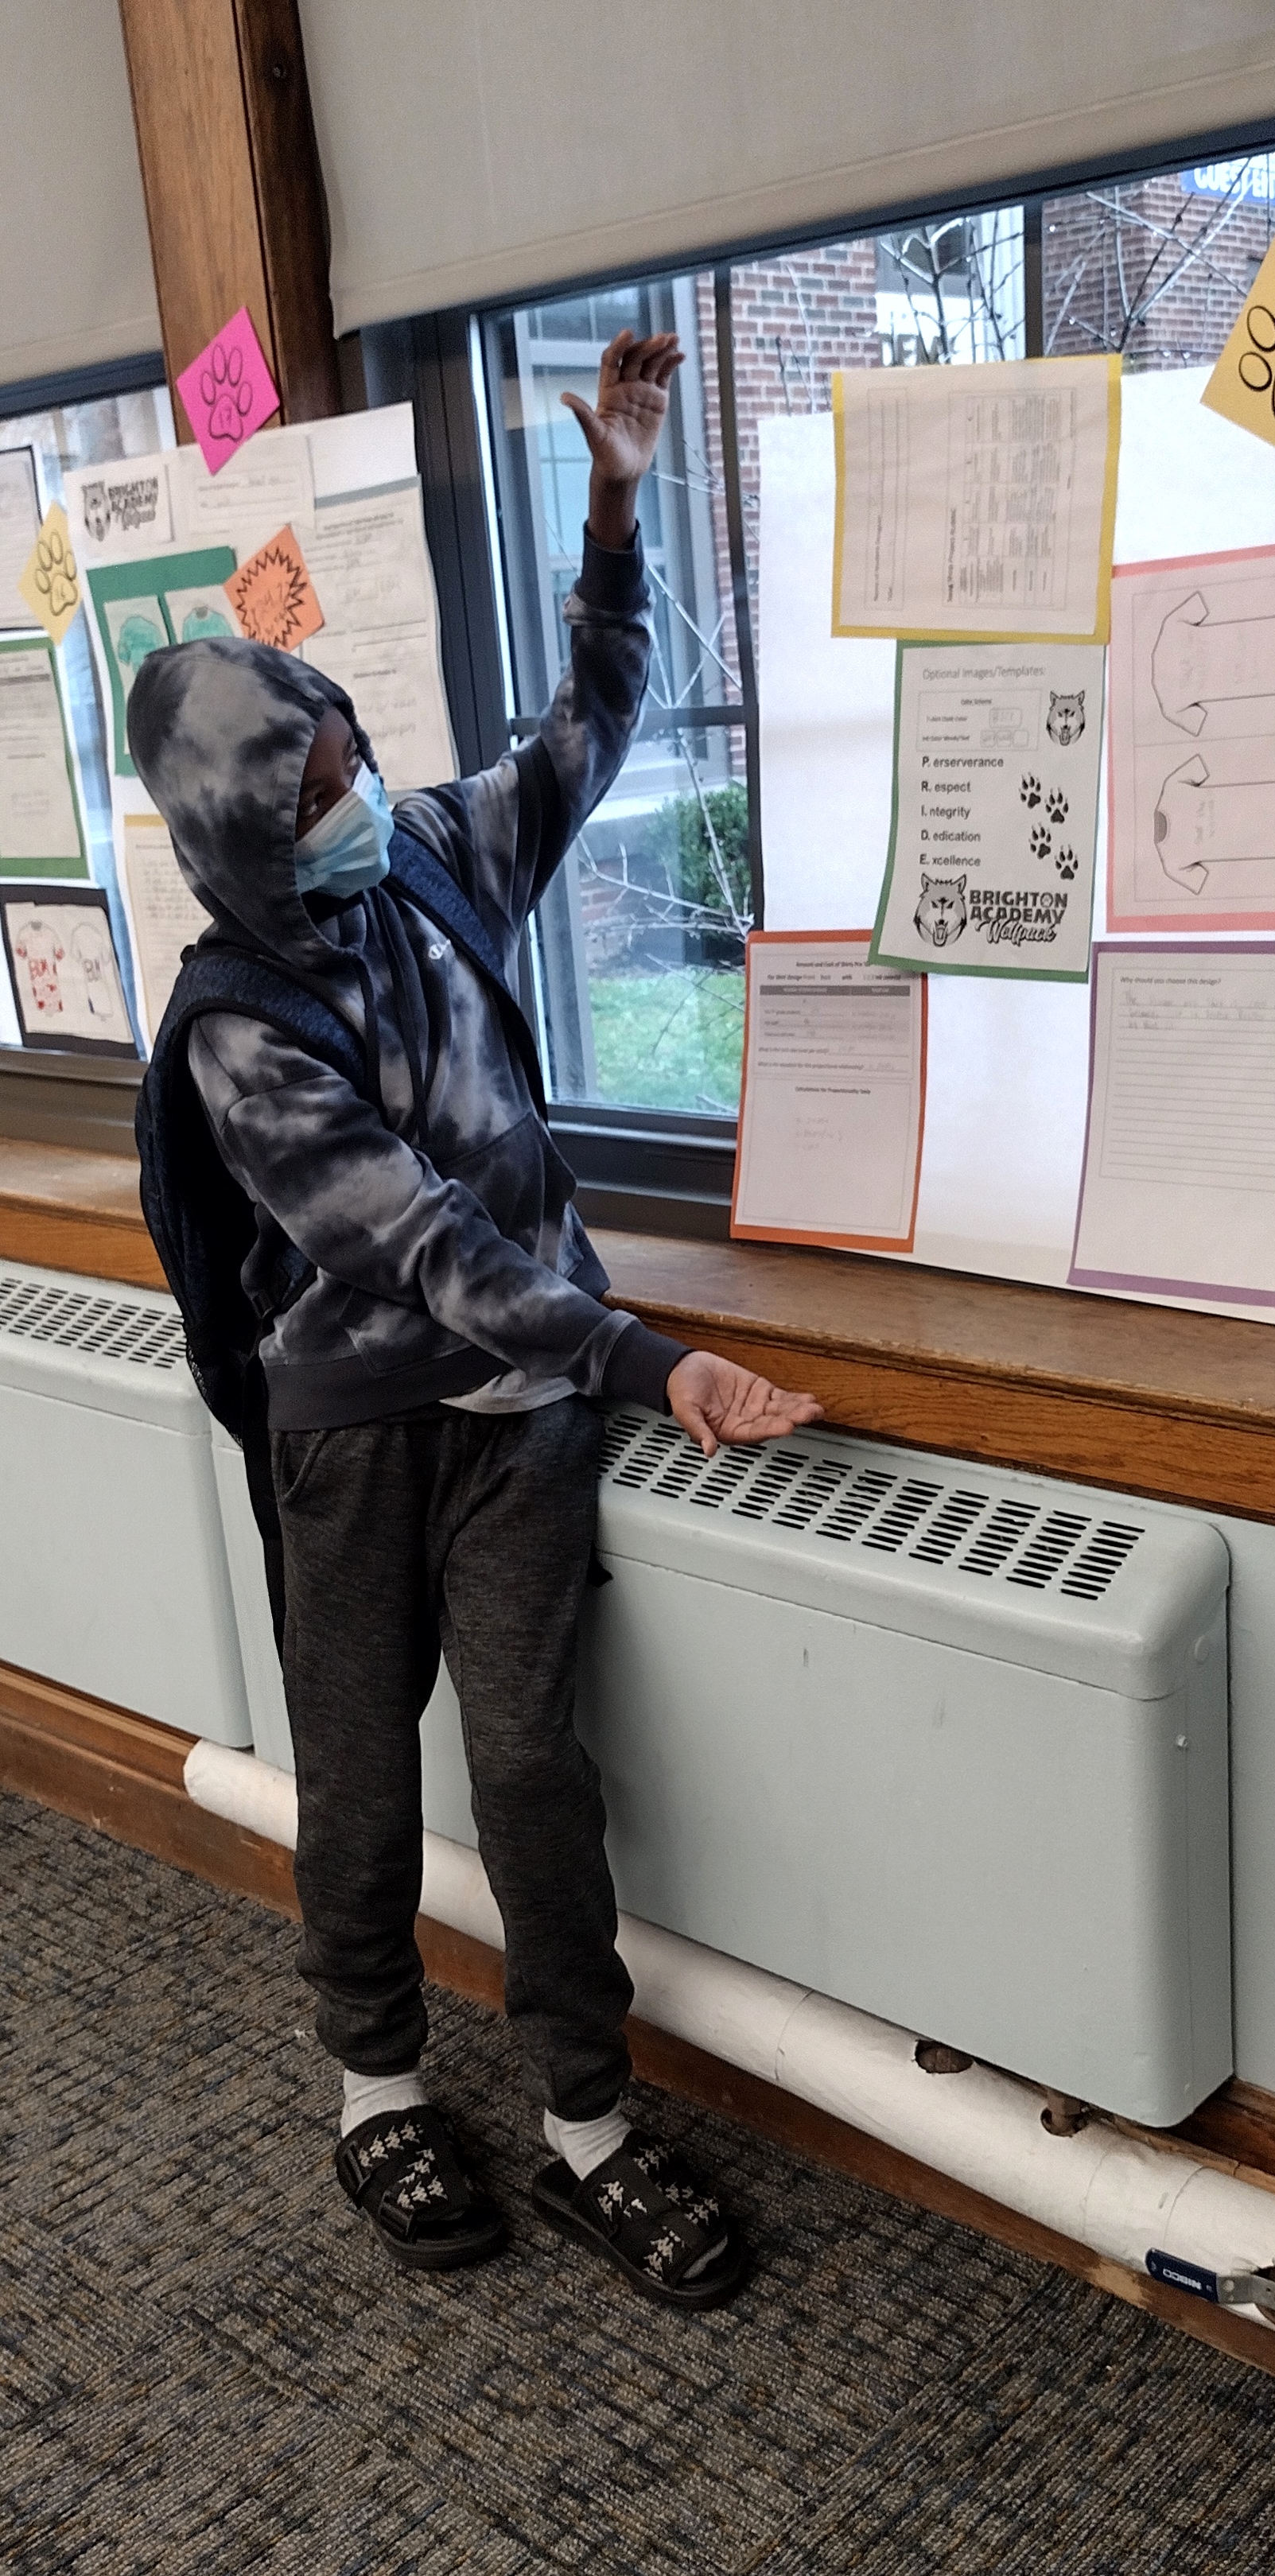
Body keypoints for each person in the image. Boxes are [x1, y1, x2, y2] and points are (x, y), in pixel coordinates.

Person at [129, 329, 822, 2310]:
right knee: (356, 1769)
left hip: (523, 1418)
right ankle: (374, 2091)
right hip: (356, 1431)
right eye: (317, 784)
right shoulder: (242, 1034)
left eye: (349, 750)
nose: (358, 794)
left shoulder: (430, 855)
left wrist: (611, 503)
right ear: (238, 828)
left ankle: (589, 2124)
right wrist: (650, 1356)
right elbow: (417, 1240)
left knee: (528, 1764)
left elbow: (594, 723)